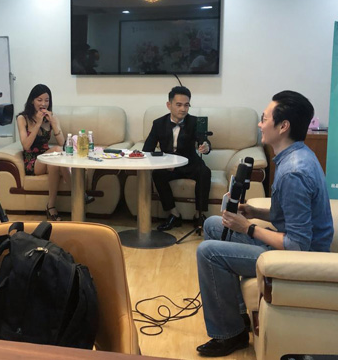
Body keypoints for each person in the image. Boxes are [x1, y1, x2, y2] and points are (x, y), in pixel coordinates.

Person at [195, 90, 334, 357]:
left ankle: (229, 334)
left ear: (283, 126)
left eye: (264, 118)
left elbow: (297, 245)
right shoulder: (295, 155)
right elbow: (291, 215)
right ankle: (238, 315)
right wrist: (253, 211)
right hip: (293, 246)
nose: (260, 124)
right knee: (214, 224)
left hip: (301, 259)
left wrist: (247, 227)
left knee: (208, 252)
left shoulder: (294, 172)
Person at [143, 86, 212, 231]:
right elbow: (147, 149)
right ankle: (174, 214)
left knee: (204, 172)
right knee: (157, 174)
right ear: (169, 105)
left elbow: (204, 141)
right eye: (179, 105)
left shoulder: (195, 122)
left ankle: (199, 215)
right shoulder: (158, 123)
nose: (183, 109)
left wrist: (205, 146)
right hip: (169, 165)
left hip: (190, 163)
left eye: (186, 105)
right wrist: (162, 163)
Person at [17, 84, 72, 221]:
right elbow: (26, 146)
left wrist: (54, 124)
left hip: (46, 157)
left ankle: (51, 206)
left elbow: (62, 142)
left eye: (46, 100)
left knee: (54, 161)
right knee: (57, 151)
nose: (43, 104)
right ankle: (77, 192)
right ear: (32, 101)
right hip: (32, 160)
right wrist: (37, 123)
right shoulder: (22, 118)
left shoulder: (52, 117)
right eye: (39, 100)